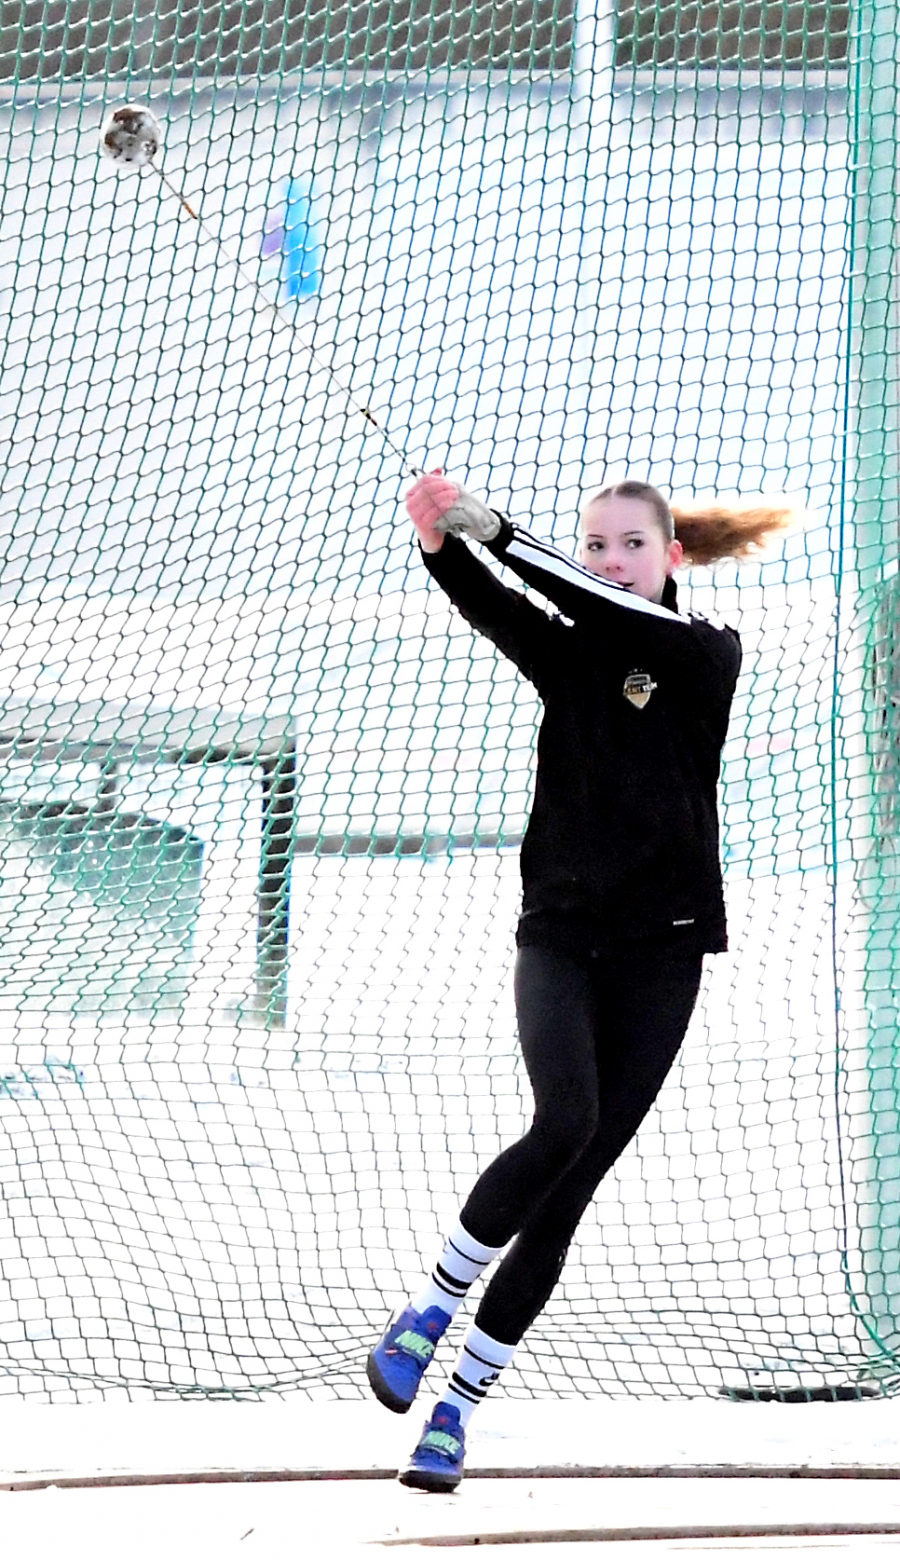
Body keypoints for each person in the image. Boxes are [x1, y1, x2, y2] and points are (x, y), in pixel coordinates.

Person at [367, 471, 794, 1492]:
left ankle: (456, 1413)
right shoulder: (572, 651)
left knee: (567, 1194)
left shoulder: (705, 652)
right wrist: (442, 546)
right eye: (596, 545)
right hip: (561, 935)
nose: (610, 561)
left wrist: (499, 531)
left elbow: (588, 601)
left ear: (672, 556)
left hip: (664, 952)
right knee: (563, 1120)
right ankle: (430, 1309)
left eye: (630, 544)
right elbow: (501, 607)